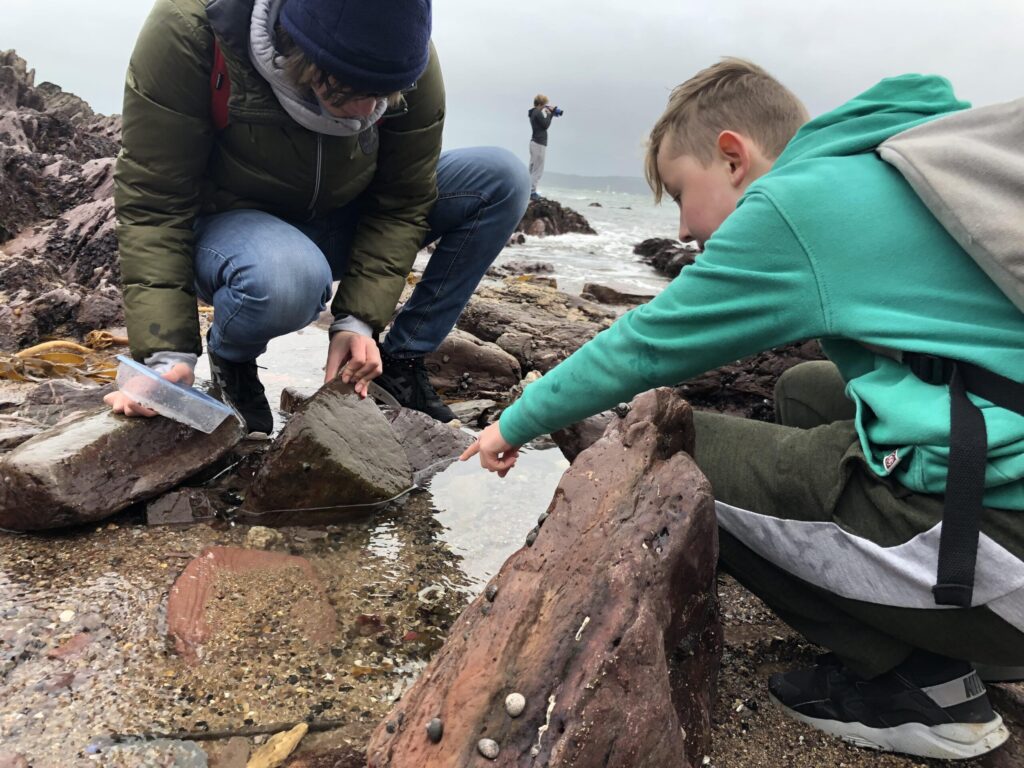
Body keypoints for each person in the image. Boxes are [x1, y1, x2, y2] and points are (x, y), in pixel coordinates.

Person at [463, 59, 1024, 760]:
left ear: (733, 157)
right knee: (809, 388)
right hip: (1002, 502)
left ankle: (923, 687)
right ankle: (942, 622)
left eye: (678, 192)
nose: (682, 222)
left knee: (669, 454)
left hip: (1004, 553)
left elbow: (644, 347)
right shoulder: (901, 160)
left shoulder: (795, 207)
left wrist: (514, 421)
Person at [105, 0, 530, 432]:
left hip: (343, 214)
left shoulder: (400, 49)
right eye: (350, 90)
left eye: (382, 95)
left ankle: (400, 363)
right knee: (288, 279)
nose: (368, 112)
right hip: (234, 228)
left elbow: (402, 201)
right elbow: (155, 200)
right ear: (299, 51)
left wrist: (358, 322)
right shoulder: (191, 27)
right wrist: (165, 355)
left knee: (501, 178)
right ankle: (233, 357)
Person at [527, 94, 561, 200]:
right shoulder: (537, 112)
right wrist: (550, 115)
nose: (545, 106)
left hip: (534, 142)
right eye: (545, 104)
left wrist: (547, 113)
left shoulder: (532, 112)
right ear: (541, 103)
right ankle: (532, 192)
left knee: (532, 168)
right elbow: (545, 125)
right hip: (539, 143)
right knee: (538, 169)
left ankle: (527, 189)